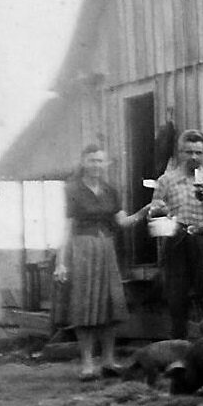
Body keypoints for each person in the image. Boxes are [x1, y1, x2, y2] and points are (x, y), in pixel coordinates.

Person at [54, 144, 150, 380]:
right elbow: (65, 228)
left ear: (106, 164)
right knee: (84, 307)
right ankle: (87, 364)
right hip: (82, 250)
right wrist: (61, 262)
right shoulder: (72, 189)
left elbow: (123, 222)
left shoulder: (110, 191)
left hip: (106, 249)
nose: (96, 165)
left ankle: (108, 361)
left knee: (110, 305)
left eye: (100, 161)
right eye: (92, 160)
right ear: (83, 162)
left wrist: (145, 210)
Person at [149, 129, 203, 339]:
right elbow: (154, 215)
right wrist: (161, 213)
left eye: (198, 152)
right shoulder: (166, 181)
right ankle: (179, 349)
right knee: (176, 298)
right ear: (180, 152)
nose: (194, 157)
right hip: (176, 241)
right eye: (189, 152)